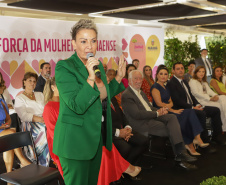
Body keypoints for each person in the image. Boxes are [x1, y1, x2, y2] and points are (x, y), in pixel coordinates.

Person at [53, 19, 126, 185]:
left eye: (93, 41)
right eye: (83, 41)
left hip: (94, 139)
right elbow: (77, 105)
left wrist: (119, 78)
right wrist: (90, 77)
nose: (89, 46)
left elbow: (100, 95)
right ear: (73, 44)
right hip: (74, 142)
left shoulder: (97, 64)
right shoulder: (64, 67)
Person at [42, 76, 141, 185]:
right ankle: (127, 169)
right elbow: (55, 134)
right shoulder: (49, 108)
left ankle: (123, 170)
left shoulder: (68, 103)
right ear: (52, 87)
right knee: (101, 152)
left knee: (104, 147)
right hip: (65, 147)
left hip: (77, 139)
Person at [121, 70, 197, 171]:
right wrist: (157, 113)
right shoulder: (127, 95)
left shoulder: (141, 92)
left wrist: (159, 110)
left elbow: (149, 108)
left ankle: (181, 154)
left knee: (172, 118)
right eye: (136, 78)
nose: (139, 81)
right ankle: (180, 158)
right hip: (141, 124)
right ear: (129, 80)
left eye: (140, 78)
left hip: (151, 117)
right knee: (174, 129)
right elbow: (137, 114)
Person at [151, 66, 208, 155]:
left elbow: (171, 102)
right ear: (157, 75)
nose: (163, 76)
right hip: (162, 112)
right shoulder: (155, 87)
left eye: (165, 74)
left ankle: (197, 137)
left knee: (190, 111)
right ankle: (190, 144)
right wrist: (172, 110)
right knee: (183, 118)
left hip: (169, 109)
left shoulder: (165, 87)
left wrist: (171, 107)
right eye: (161, 74)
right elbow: (159, 104)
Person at [167, 62, 225, 146]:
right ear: (173, 70)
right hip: (183, 108)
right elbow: (177, 101)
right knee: (202, 113)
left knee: (215, 110)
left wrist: (197, 105)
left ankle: (216, 137)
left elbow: (191, 96)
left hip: (193, 106)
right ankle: (204, 140)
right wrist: (192, 107)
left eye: (182, 68)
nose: (180, 70)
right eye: (178, 69)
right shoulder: (171, 83)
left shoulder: (184, 81)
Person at [14, 72, 50, 166]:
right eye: (30, 80)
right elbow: (23, 116)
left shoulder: (40, 94)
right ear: (24, 82)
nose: (32, 83)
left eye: (34, 81)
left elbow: (46, 108)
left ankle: (53, 158)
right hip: (29, 123)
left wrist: (45, 118)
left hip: (43, 120)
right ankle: (41, 161)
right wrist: (40, 119)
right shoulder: (19, 98)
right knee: (44, 129)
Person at [111, 96, 149, 164]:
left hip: (123, 130)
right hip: (110, 133)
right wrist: (119, 132)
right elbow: (101, 126)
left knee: (144, 140)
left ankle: (128, 165)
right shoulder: (98, 102)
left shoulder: (112, 97)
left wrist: (127, 127)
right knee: (125, 148)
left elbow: (121, 115)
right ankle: (123, 168)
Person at [189, 66, 226, 132]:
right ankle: (221, 129)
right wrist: (210, 98)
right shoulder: (193, 81)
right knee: (219, 107)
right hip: (200, 102)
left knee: (223, 99)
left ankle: (223, 128)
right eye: (199, 71)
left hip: (207, 100)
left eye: (203, 72)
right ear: (196, 73)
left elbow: (209, 91)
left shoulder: (204, 82)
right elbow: (195, 93)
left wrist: (216, 95)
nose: (201, 73)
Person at [0, 98, 31, 175]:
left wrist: (6, 124)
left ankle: (9, 177)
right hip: (3, 131)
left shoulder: (1, 101)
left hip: (3, 131)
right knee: (11, 133)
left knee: (9, 138)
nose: (3, 89)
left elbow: (8, 119)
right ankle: (22, 159)